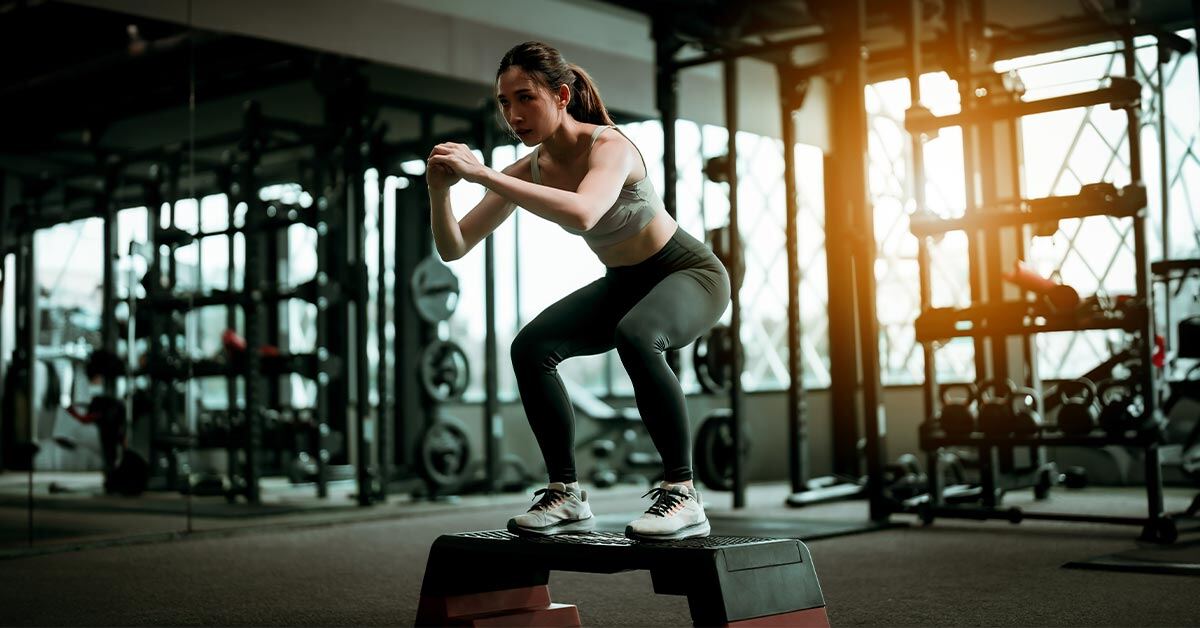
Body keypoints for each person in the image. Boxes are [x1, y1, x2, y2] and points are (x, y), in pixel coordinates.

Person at [426, 41, 730, 542]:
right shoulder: (530, 169)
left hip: (688, 273)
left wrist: (483, 174)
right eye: (504, 102)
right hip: (625, 283)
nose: (513, 114)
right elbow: (455, 246)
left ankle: (683, 492)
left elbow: (584, 211)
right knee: (532, 347)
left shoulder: (610, 146)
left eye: (525, 98)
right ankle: (565, 493)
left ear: (562, 95)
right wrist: (440, 192)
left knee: (637, 335)